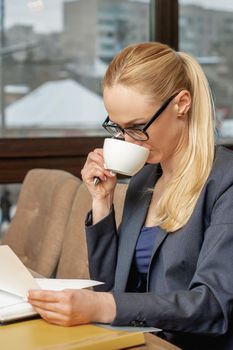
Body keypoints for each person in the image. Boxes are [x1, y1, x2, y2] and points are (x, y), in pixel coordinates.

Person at [28, 42, 233, 350]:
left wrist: (101, 308)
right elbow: (113, 289)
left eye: (137, 127)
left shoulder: (224, 183)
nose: (127, 141)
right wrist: (102, 203)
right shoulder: (145, 179)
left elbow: (212, 306)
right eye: (118, 128)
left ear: (182, 103)